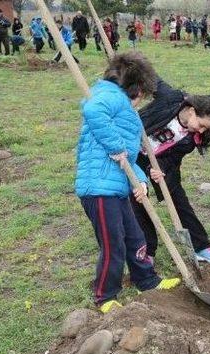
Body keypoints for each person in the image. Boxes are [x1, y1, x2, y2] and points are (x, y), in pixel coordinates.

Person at [75, 52, 181, 314]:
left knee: (135, 237)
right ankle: (105, 295)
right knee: (114, 243)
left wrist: (141, 179)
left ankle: (146, 280)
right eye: (143, 94)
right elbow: (91, 110)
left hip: (117, 186)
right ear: (136, 89)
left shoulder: (121, 104)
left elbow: (127, 157)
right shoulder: (110, 97)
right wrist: (115, 146)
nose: (142, 100)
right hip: (98, 187)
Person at [132, 79, 210, 264]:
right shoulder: (171, 98)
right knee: (138, 200)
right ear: (192, 111)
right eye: (201, 125)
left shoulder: (190, 139)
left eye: (206, 129)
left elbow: (172, 158)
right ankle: (147, 250)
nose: (200, 130)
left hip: (161, 162)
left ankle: (202, 246)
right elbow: (150, 78)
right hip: (131, 152)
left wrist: (158, 169)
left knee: (179, 200)